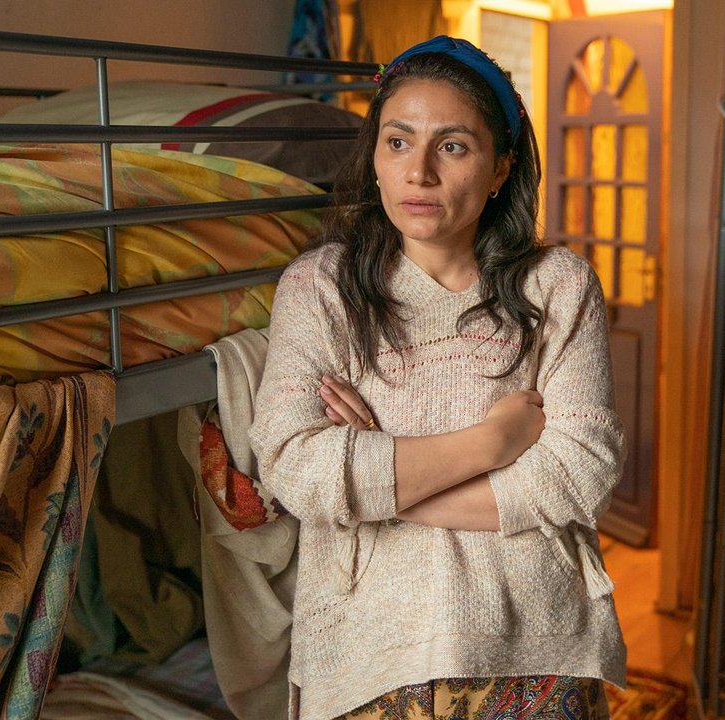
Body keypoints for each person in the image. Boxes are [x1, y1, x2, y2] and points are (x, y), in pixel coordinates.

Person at [248, 35, 627, 720]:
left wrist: (377, 481)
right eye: (398, 142)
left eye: (452, 146)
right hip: (366, 651)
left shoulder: (560, 287)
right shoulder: (318, 289)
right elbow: (295, 467)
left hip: (536, 641)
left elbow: (579, 472)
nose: (418, 172)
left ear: (501, 167)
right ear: (375, 157)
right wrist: (492, 443)